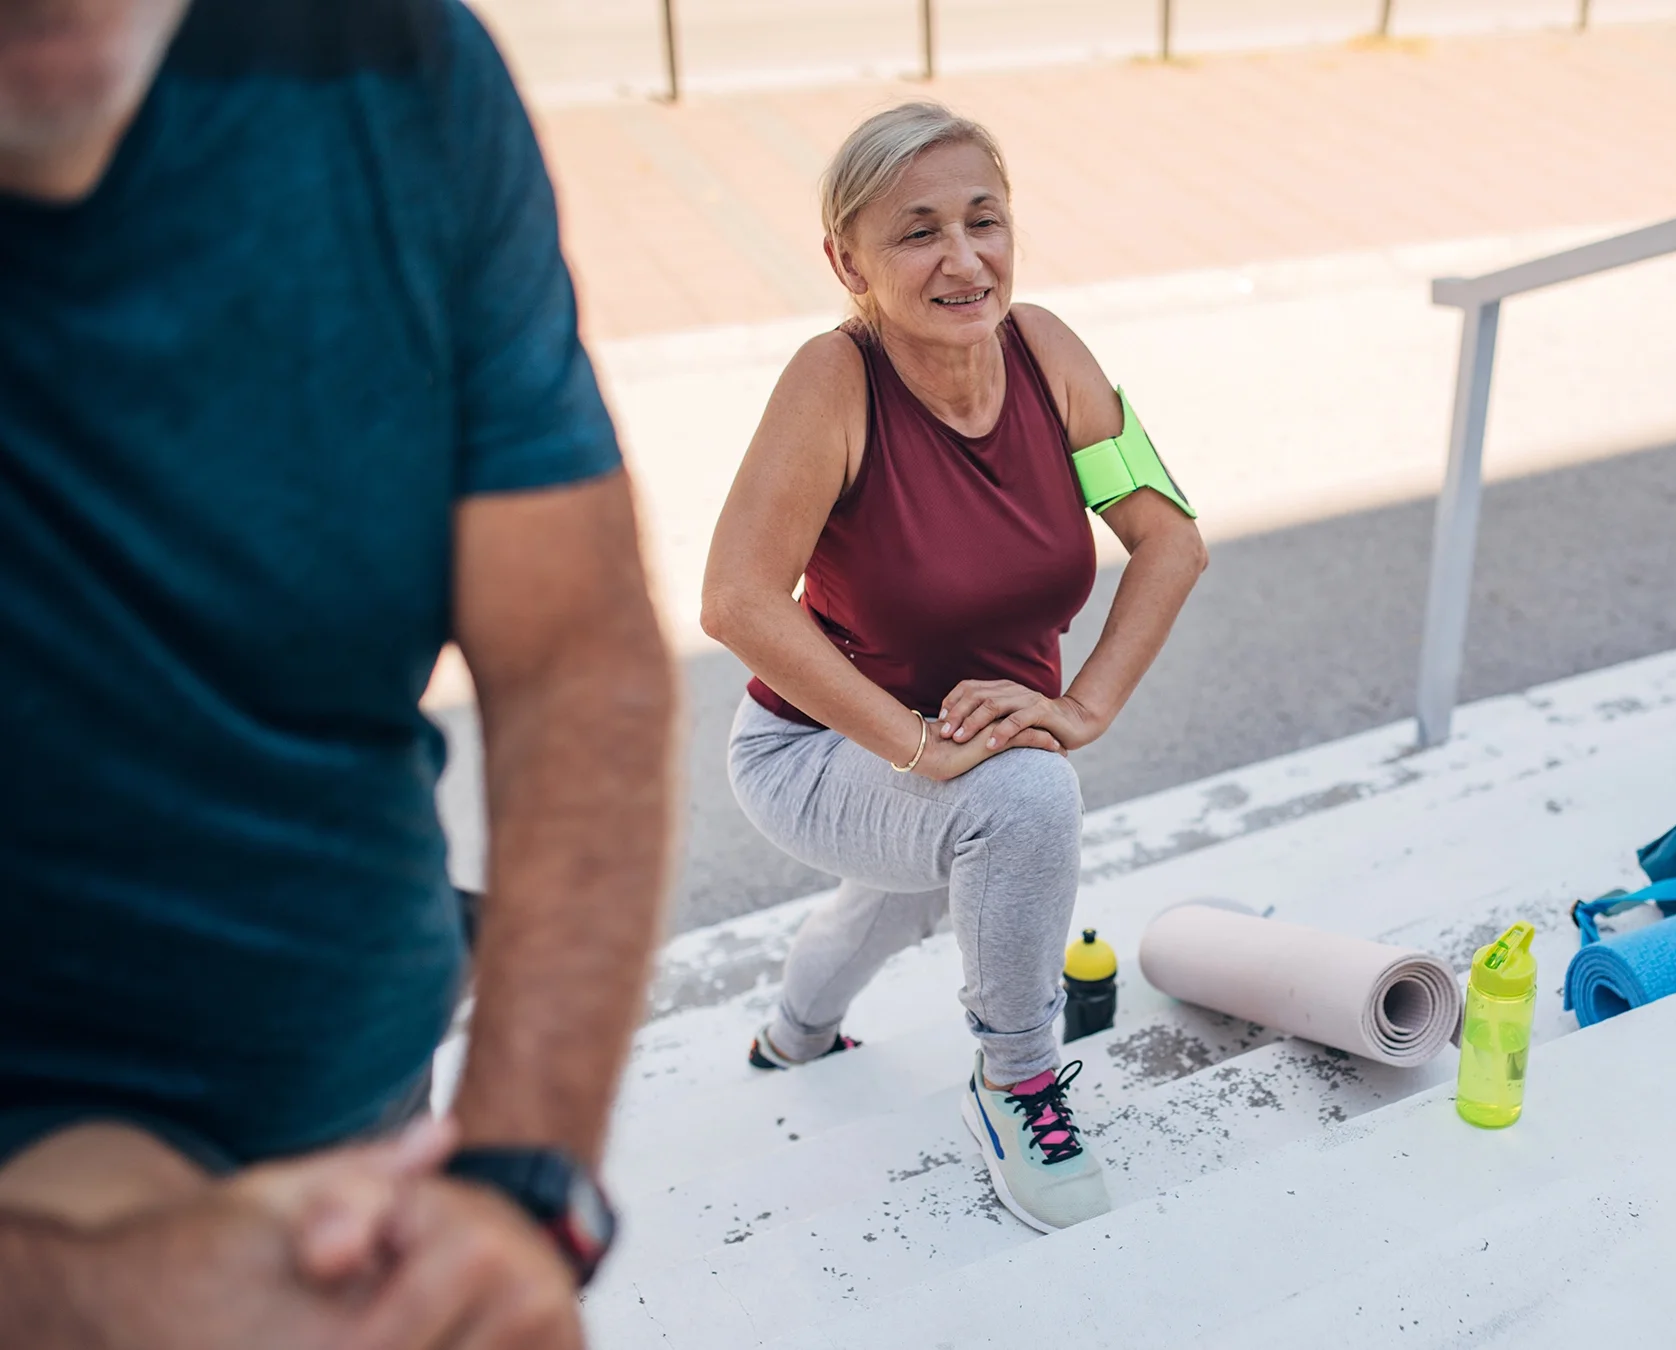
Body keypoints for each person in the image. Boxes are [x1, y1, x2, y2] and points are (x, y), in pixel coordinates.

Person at [0, 0, 677, 1344]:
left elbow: (572, 655)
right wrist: (87, 1286)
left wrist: (514, 1189)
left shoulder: (401, 66)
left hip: (368, 1134)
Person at [700, 102, 1207, 1234]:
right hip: (819, 745)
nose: (965, 259)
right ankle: (1017, 1079)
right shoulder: (833, 382)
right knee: (1018, 806)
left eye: (986, 219)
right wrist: (921, 747)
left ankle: (794, 1034)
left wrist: (1085, 707)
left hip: (970, 746)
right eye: (918, 231)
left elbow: (1170, 535)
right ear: (848, 261)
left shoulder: (1047, 351)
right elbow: (734, 600)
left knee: (929, 876)